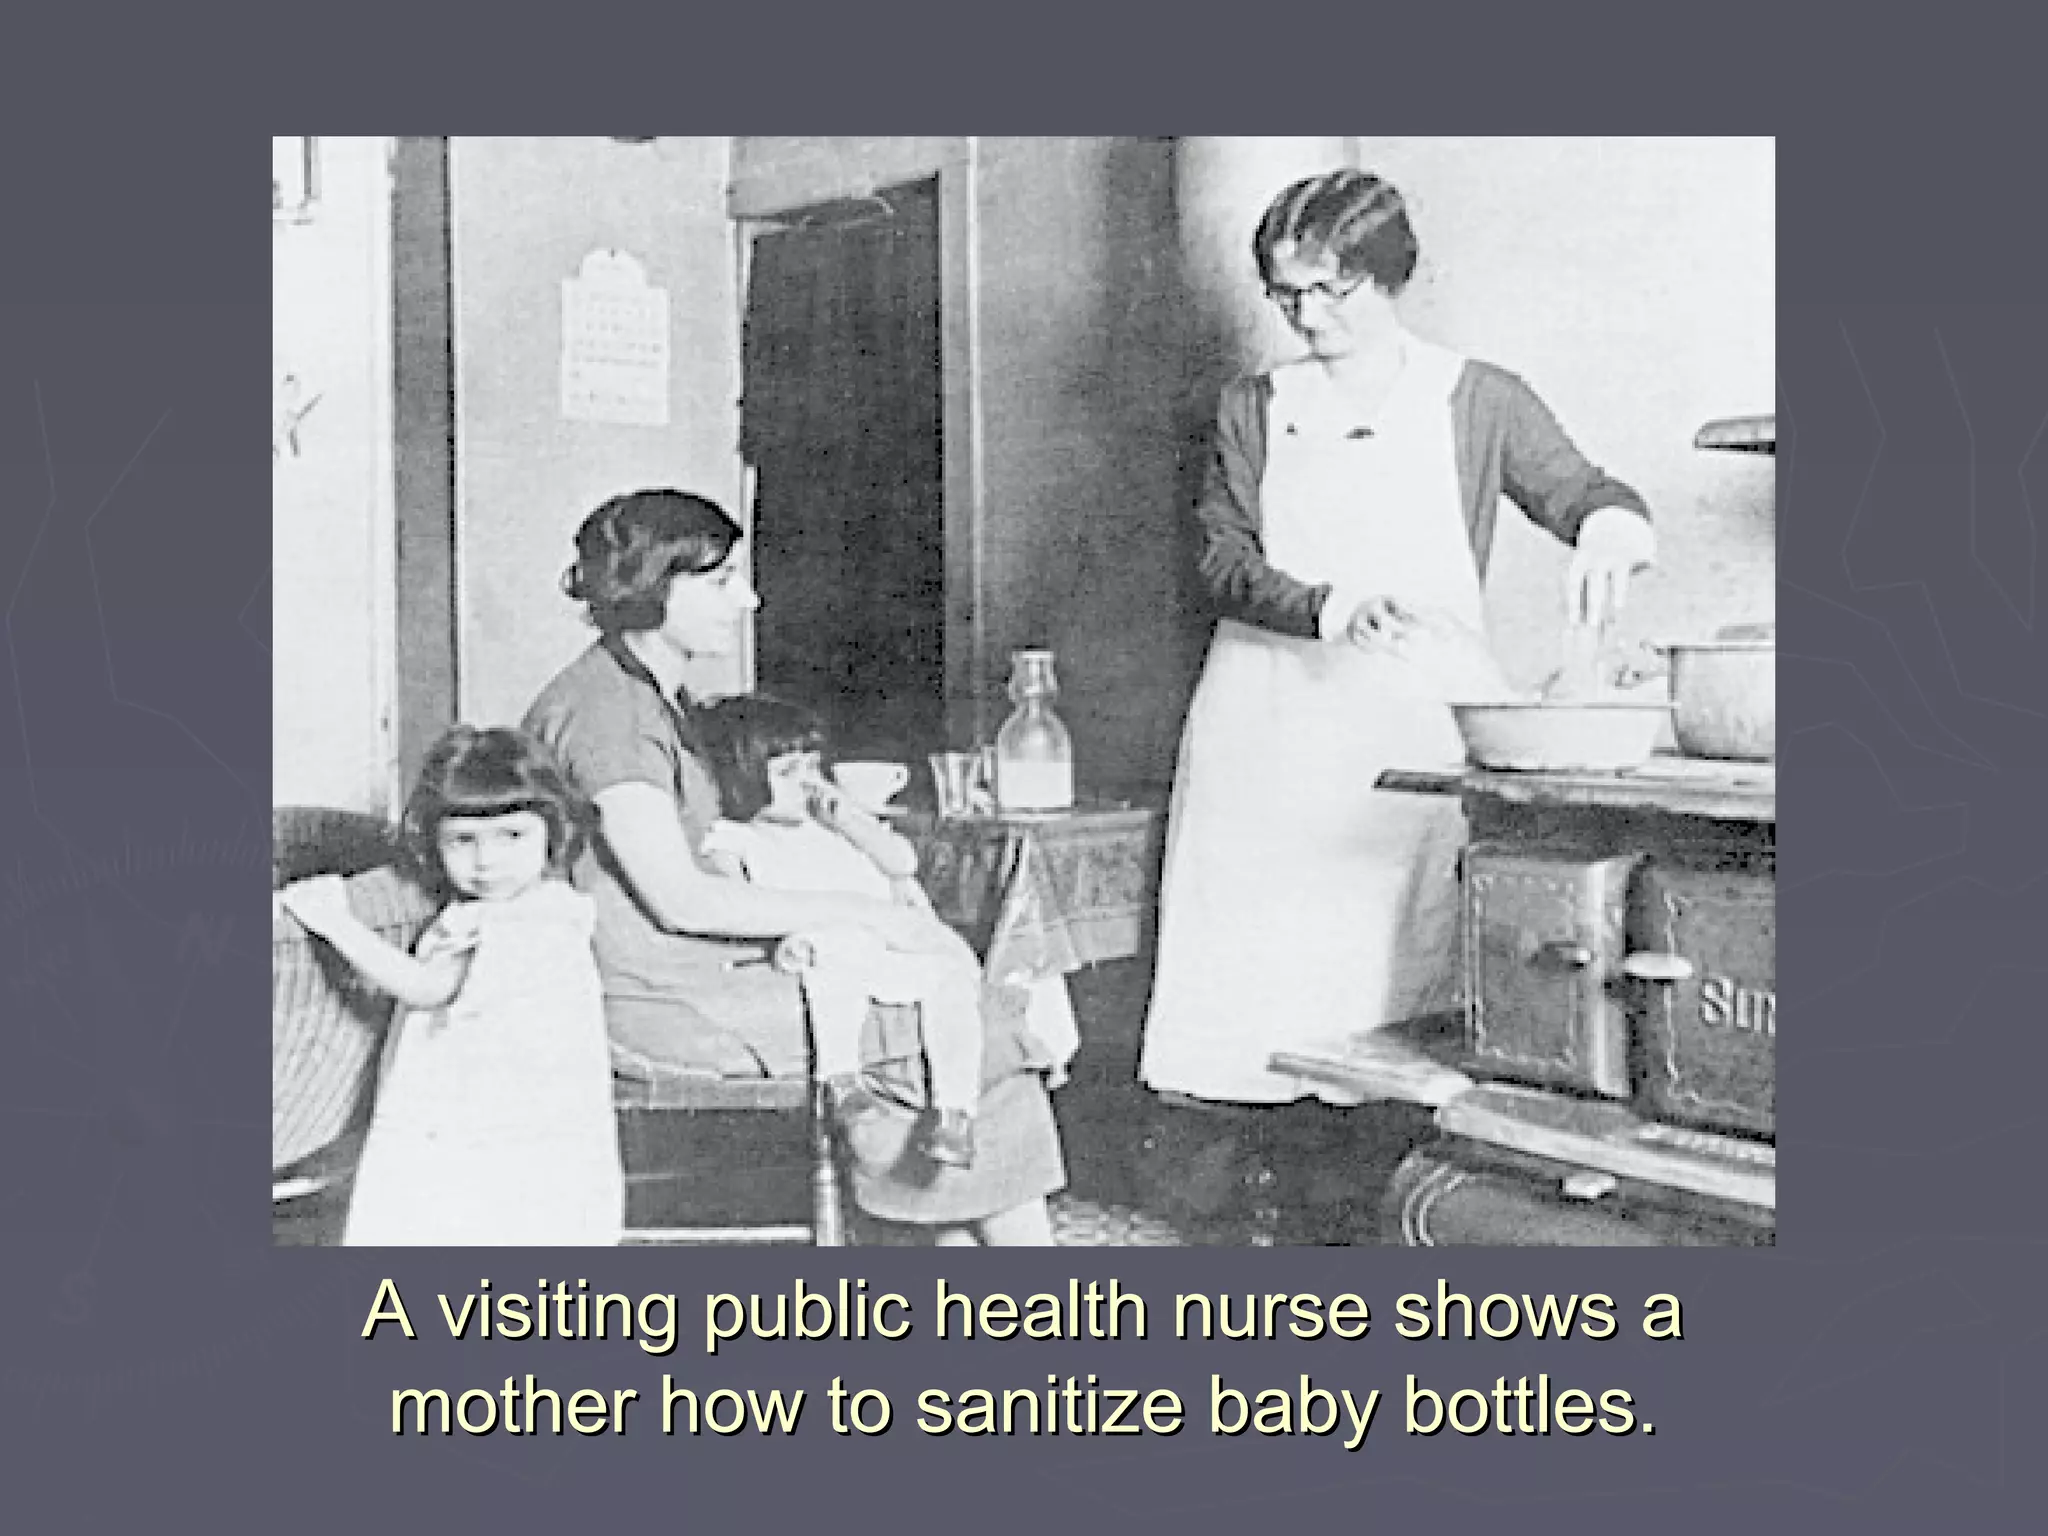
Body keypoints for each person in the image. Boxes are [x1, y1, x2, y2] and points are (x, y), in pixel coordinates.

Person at [1140, 167, 1656, 1115]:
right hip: (1270, 720)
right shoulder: (1254, 406)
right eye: (1287, 294)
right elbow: (1218, 560)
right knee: (1266, 980)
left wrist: (1612, 530)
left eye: (1332, 289)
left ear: (1389, 274)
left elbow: (1583, 491)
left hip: (1412, 718)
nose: (1308, 314)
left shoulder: (1476, 397)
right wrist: (1331, 606)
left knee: (1401, 969)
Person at [520, 489, 1062, 1245]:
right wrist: (866, 913)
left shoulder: (650, 695)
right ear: (650, 584)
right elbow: (680, 900)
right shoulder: (608, 714)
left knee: (951, 1010)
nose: (748, 598)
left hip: (712, 971)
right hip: (667, 1000)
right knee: (971, 1023)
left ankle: (959, 1248)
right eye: (720, 581)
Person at [277, 727, 623, 1246]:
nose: (487, 861)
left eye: (512, 837)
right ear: (434, 843)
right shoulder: (512, 909)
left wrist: (335, 923)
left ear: (553, 832)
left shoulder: (526, 923)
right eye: (463, 841)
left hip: (490, 1119)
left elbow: (427, 988)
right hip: (507, 1110)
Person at [694, 693, 983, 1169]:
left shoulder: (832, 828)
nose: (807, 782)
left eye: (813, 767)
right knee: (837, 955)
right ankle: (841, 1082)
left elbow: (901, 862)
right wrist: (773, 939)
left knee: (950, 980)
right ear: (741, 777)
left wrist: (848, 815)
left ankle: (955, 1112)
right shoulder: (736, 838)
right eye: (788, 772)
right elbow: (734, 900)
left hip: (885, 945)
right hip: (822, 945)